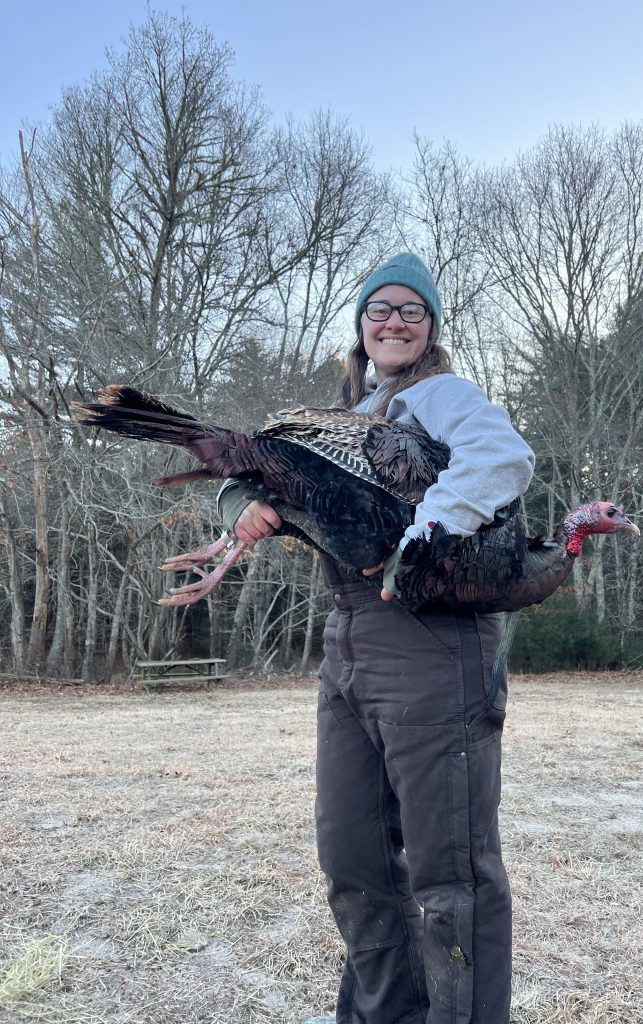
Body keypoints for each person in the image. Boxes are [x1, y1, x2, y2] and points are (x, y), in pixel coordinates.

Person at [218, 253, 535, 1024]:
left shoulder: (440, 395)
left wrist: (426, 532)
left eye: (411, 311)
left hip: (434, 639)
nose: (394, 321)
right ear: (360, 325)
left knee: (449, 874)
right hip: (349, 637)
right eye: (379, 310)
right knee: (353, 861)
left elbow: (504, 456)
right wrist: (245, 506)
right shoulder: (346, 411)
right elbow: (265, 471)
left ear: (429, 329)